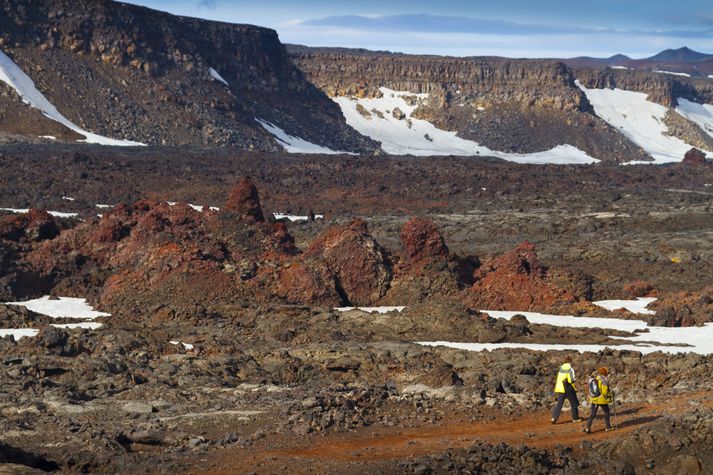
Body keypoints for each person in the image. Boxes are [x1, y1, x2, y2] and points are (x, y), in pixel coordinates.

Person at [584, 367, 614, 433]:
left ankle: (587, 428)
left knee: (592, 414)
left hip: (594, 399)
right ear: (605, 373)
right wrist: (610, 395)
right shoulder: (603, 380)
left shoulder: (596, 378)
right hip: (601, 399)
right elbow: (605, 391)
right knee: (606, 412)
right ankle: (608, 427)